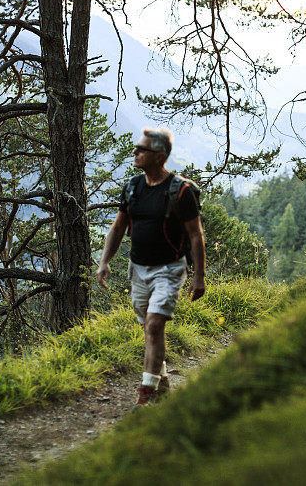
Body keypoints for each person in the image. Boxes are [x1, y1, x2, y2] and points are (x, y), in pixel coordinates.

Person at [96, 127, 206, 406]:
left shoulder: (180, 191)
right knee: (147, 326)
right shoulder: (133, 187)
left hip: (169, 270)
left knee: (155, 325)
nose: (135, 152)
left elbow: (196, 234)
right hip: (138, 269)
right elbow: (118, 226)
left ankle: (147, 397)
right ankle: (162, 378)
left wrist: (199, 277)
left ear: (160, 156)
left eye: (142, 149)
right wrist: (105, 262)